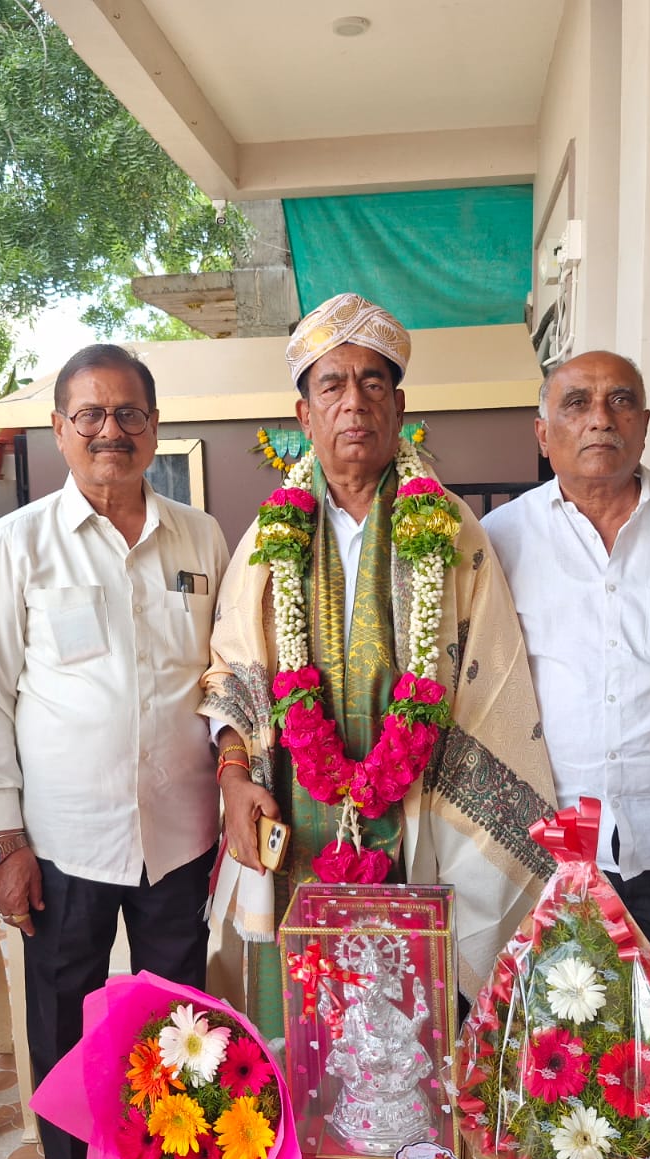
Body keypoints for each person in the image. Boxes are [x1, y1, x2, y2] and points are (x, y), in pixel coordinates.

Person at [203, 292, 555, 1037]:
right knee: (303, 1023)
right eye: (330, 385)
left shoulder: (451, 527)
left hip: (423, 804)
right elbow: (233, 673)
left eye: (372, 384)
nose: (352, 403)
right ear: (303, 417)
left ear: (399, 408)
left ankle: (405, 1145)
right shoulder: (268, 538)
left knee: (412, 1021)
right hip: (296, 809)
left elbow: (490, 675)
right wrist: (235, 775)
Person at [0, 343, 228, 1159]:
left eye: (130, 415)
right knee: (65, 1022)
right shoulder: (17, 543)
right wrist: (6, 840)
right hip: (63, 842)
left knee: (181, 1022)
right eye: (92, 415)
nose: (111, 431)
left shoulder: (203, 536)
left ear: (154, 427)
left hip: (182, 835)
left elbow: (226, 674)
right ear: (60, 430)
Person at [482, 350, 650, 1159]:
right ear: (544, 432)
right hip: (550, 853)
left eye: (621, 401)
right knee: (560, 1056)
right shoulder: (502, 540)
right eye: (579, 402)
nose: (601, 418)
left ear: (645, 423)